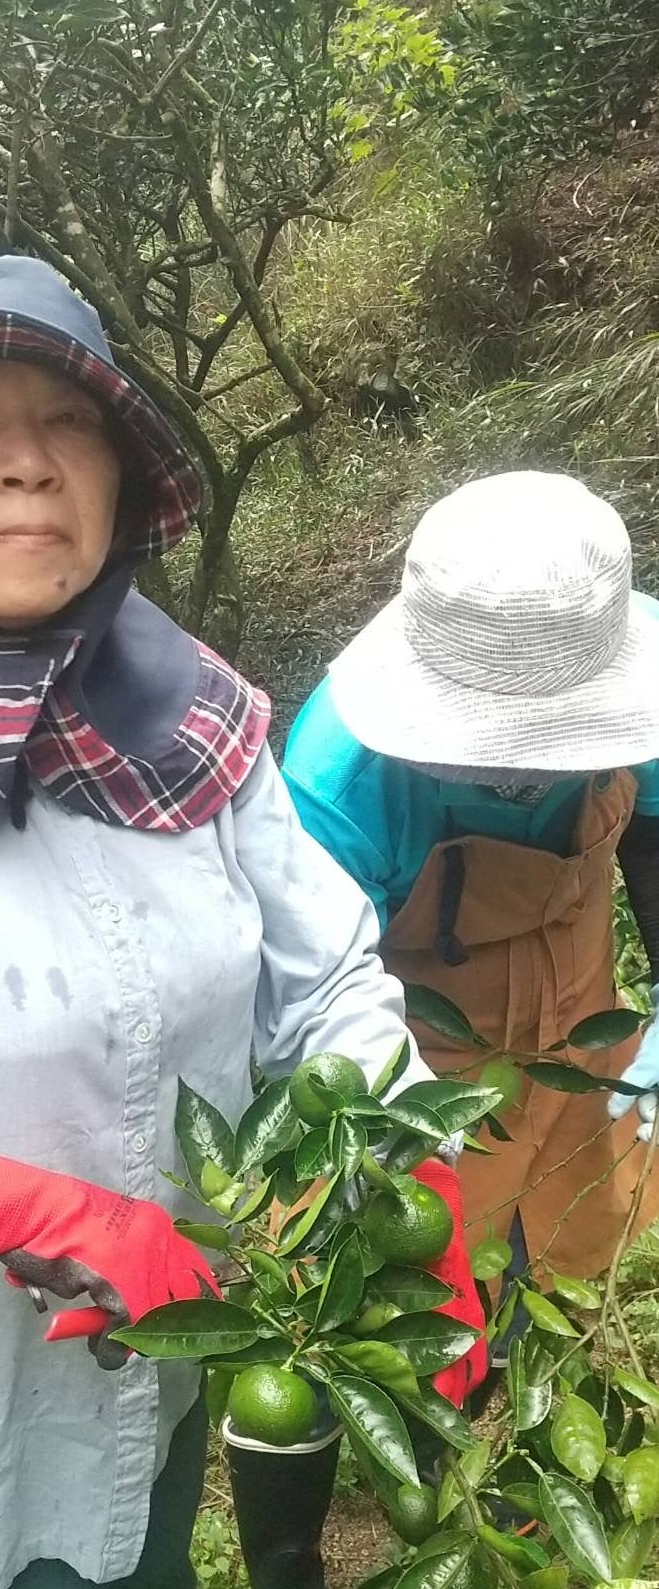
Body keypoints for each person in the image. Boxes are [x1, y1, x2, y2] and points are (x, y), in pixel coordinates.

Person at [0, 254, 482, 1589]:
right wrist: (2, 1199)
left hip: (167, 1370)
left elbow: (320, 980)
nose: (27, 462)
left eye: (69, 420)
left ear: (121, 480)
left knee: (147, 1569)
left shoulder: (194, 719)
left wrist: (417, 1168)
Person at [283, 470, 659, 1291]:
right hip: (423, 1061)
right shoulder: (340, 788)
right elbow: (314, 986)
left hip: (580, 1029)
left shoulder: (625, 667)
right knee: (424, 1283)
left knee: (565, 1243)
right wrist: (380, 1115)